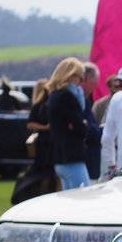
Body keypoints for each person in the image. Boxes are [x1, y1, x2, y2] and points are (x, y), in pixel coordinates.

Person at [46, 57, 90, 190]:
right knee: (84, 196)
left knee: (69, 198)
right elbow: (80, 128)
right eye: (80, 78)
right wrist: (83, 124)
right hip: (72, 156)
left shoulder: (53, 96)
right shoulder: (67, 97)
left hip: (59, 157)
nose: (81, 82)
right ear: (70, 76)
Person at [11, 79, 56, 203]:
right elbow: (30, 124)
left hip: (50, 142)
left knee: (49, 173)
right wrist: (46, 127)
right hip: (44, 143)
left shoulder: (48, 105)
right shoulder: (39, 106)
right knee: (44, 172)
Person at [81, 62, 103, 180]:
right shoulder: (80, 99)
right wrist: (102, 131)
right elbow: (88, 129)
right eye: (94, 83)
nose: (95, 87)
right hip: (86, 157)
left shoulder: (84, 98)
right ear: (87, 79)